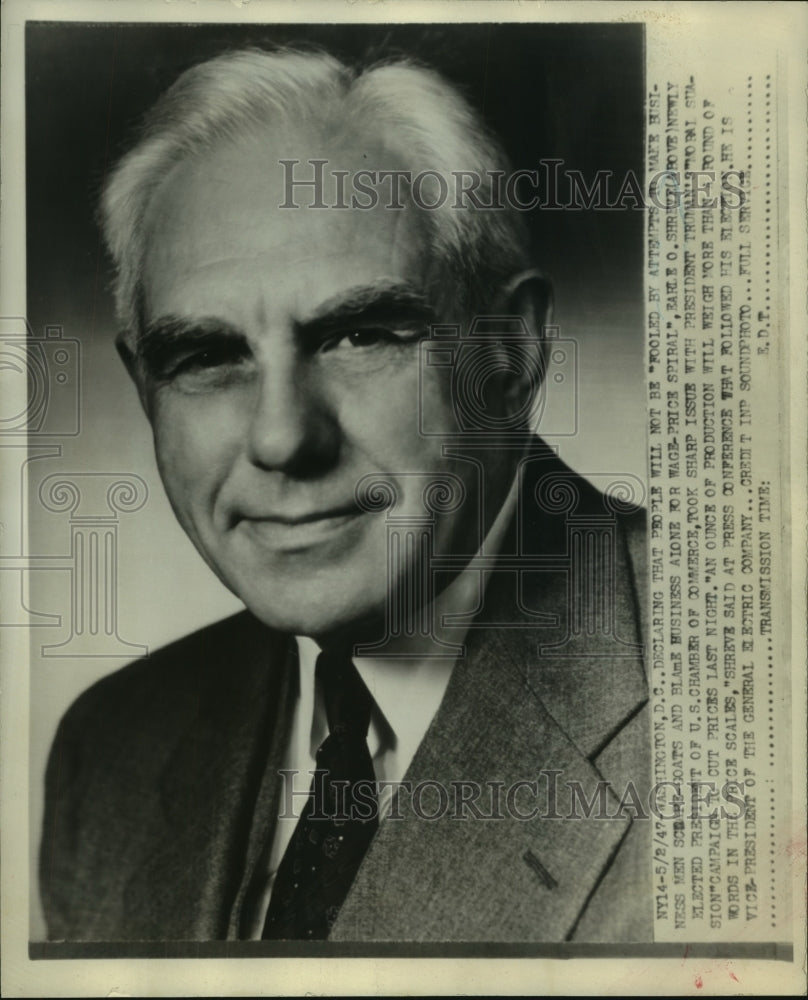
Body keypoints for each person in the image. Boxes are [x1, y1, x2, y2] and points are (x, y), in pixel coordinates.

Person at [39, 46, 651, 943]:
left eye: (359, 335)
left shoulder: (747, 708)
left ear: (509, 356)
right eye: (207, 357)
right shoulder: (111, 754)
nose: (283, 438)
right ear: (144, 388)